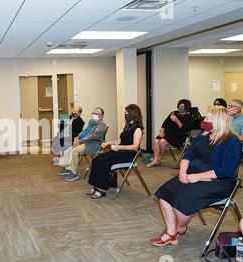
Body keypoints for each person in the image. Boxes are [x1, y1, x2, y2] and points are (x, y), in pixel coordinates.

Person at [151, 105, 241, 247]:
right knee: (165, 192)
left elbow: (226, 170)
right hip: (193, 173)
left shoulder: (232, 141)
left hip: (219, 182)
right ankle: (171, 232)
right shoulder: (204, 135)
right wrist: (182, 172)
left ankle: (179, 229)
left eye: (208, 118)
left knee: (183, 199)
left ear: (218, 121)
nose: (204, 120)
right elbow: (188, 155)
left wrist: (197, 177)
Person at [87, 104, 144, 199]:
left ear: (133, 114)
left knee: (104, 162)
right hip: (120, 151)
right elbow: (120, 140)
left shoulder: (138, 129)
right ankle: (95, 185)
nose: (125, 115)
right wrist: (109, 142)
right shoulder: (128, 126)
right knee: (97, 159)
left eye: (127, 113)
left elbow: (135, 146)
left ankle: (102, 188)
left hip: (128, 155)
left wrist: (119, 147)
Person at [57, 108, 107, 182]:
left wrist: (79, 141)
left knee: (74, 151)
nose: (94, 115)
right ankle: (67, 168)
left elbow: (92, 136)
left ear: (101, 116)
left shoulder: (101, 124)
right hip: (83, 141)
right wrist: (77, 137)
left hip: (92, 144)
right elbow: (84, 131)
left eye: (97, 114)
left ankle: (74, 173)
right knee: (68, 149)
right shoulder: (91, 121)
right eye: (93, 113)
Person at [147, 99, 194, 167]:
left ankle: (158, 159)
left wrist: (176, 120)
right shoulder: (174, 113)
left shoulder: (189, 117)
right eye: (179, 106)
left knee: (162, 141)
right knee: (156, 140)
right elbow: (164, 123)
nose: (180, 108)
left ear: (187, 107)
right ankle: (155, 160)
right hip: (167, 133)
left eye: (182, 106)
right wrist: (162, 131)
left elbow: (184, 129)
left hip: (179, 136)